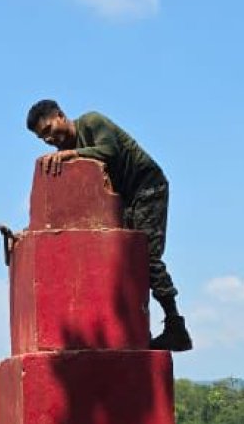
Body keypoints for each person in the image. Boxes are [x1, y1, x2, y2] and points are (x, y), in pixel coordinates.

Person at [25, 100, 192, 352]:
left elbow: (109, 150)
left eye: (48, 130)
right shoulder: (69, 150)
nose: (48, 139)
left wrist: (74, 154)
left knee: (146, 256)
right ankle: (137, 328)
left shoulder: (91, 122)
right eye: (42, 137)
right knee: (121, 261)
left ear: (60, 115)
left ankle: (175, 326)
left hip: (147, 186)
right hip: (125, 199)